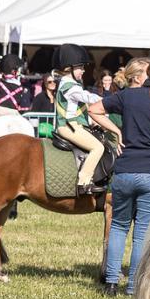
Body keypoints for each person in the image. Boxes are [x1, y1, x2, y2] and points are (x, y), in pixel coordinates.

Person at [90, 56, 150, 296]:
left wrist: (117, 131)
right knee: (142, 231)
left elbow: (93, 109)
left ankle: (110, 283)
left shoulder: (128, 95)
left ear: (148, 73)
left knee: (119, 226)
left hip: (126, 169)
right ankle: (133, 286)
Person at [52, 44, 122, 195]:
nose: (84, 71)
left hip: (75, 125)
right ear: (69, 68)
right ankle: (83, 183)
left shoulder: (69, 83)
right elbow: (88, 97)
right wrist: (109, 102)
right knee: (98, 148)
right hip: (69, 127)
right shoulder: (70, 87)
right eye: (81, 67)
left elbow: (80, 110)